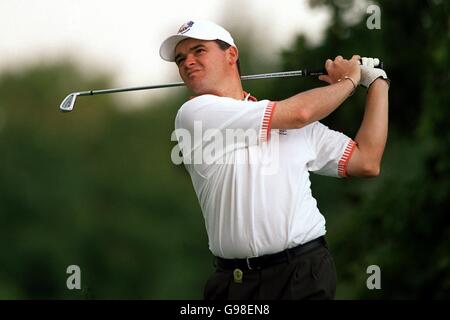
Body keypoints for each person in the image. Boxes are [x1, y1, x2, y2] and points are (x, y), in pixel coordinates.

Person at [160, 20, 389, 300]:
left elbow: (366, 161)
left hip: (303, 272)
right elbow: (300, 113)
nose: (188, 62)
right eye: (181, 59)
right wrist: (351, 80)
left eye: (198, 51)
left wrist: (377, 82)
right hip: (234, 283)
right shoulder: (194, 114)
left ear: (231, 55)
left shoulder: (295, 125)